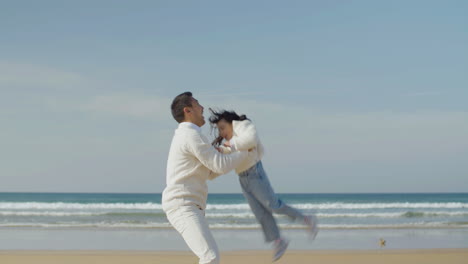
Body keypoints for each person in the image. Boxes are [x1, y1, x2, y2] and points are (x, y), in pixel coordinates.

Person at [209, 109, 319, 262]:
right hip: (243, 178)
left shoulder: (243, 125)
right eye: (219, 130)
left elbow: (251, 140)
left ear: (230, 122)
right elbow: (227, 153)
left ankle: (307, 219)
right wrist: (219, 150)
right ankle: (279, 241)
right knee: (259, 213)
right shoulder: (232, 141)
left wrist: (230, 145)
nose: (221, 133)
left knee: (273, 205)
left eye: (222, 128)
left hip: (255, 173)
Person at [162, 92, 253, 264]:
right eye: (197, 104)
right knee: (209, 257)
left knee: (209, 256)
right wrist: (244, 151)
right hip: (182, 206)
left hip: (189, 205)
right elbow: (219, 165)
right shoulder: (190, 135)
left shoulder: (191, 135)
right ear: (188, 110)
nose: (202, 108)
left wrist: (230, 150)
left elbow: (211, 173)